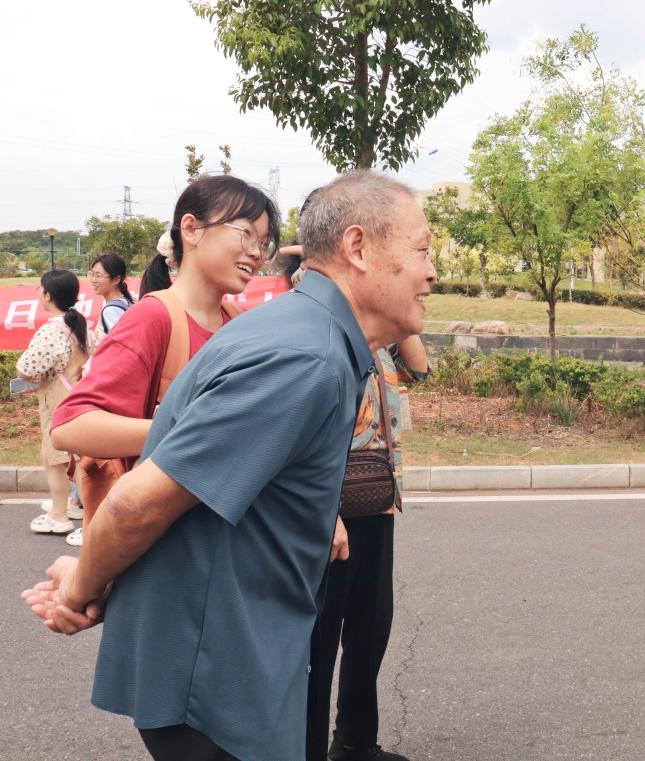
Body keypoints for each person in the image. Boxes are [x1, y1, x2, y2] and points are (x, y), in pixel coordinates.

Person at [23, 169, 437, 761]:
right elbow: (138, 501)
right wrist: (84, 586)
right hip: (215, 677)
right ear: (357, 247)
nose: (431, 272)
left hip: (235, 653)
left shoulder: (300, 333)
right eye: (421, 250)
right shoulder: (304, 357)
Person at [53, 174, 273, 548]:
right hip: (162, 549)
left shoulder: (240, 323)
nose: (256, 252)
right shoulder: (154, 318)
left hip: (225, 544)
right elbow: (70, 428)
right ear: (191, 228)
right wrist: (188, 432)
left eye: (264, 242)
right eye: (245, 233)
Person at [306, 335, 429, 761]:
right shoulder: (320, 330)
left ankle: (355, 742)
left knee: (370, 626)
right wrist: (325, 512)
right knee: (317, 640)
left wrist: (403, 321)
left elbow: (420, 369)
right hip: (326, 509)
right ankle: (305, 750)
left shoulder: (379, 337)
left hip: (375, 498)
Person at [17, 269, 97, 535]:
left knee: (57, 460)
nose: (38, 293)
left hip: (59, 403)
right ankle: (65, 513)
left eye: (40, 289)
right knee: (78, 460)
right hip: (83, 397)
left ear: (49, 295)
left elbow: (27, 368)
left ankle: (66, 518)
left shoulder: (51, 331)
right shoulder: (82, 325)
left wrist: (25, 377)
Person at [89, 252, 135, 335]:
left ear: (116, 280)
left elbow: (120, 343)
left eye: (98, 276)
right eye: (92, 274)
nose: (93, 280)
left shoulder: (111, 310)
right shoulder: (125, 302)